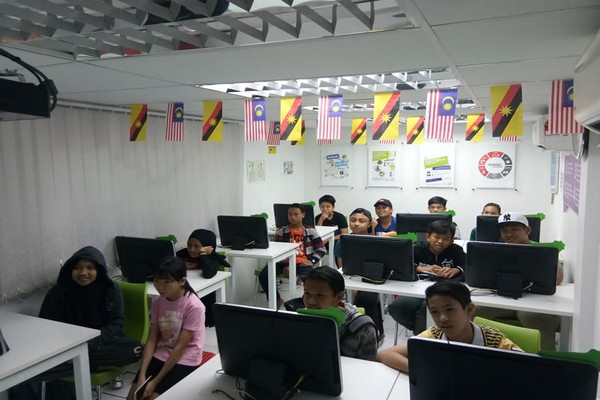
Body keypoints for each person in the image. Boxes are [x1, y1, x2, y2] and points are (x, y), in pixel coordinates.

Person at [377, 281, 521, 372]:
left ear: (469, 309)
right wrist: (426, 371)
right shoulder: (434, 335)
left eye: (450, 310)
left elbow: (527, 368)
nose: (443, 318)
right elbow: (385, 354)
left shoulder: (493, 340)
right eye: (435, 312)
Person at [39, 246, 142, 371]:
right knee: (40, 354)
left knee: (136, 350)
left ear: (99, 270)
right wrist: (66, 347)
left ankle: (65, 363)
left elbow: (115, 324)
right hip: (66, 344)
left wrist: (88, 346)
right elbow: (45, 325)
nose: (83, 273)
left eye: (90, 268)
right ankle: (90, 365)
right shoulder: (58, 292)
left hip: (99, 342)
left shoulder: (110, 290)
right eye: (77, 268)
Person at [474, 212, 563, 350]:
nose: (509, 234)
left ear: (528, 230)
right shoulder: (493, 250)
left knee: (537, 319)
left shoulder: (544, 251)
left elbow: (558, 278)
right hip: (501, 299)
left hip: (534, 301)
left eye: (514, 229)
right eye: (504, 231)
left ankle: (545, 359)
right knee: (473, 310)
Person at [127, 257, 205, 400]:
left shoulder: (194, 306)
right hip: (162, 352)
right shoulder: (158, 302)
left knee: (153, 397)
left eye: (167, 282)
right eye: (157, 281)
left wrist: (155, 382)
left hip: (186, 358)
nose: (160, 287)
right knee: (133, 396)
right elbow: (152, 339)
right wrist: (142, 375)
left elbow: (181, 347)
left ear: (182, 281)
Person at [388, 220, 466, 335]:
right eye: (436, 237)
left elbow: (468, 266)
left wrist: (456, 269)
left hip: (443, 290)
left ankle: (422, 337)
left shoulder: (456, 251)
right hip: (416, 289)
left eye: (445, 239)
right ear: (428, 237)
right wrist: (421, 268)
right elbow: (401, 265)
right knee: (396, 307)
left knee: (427, 307)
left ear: (451, 241)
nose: (440, 241)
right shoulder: (418, 249)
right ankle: (426, 331)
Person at [289, 267, 378, 361]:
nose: (311, 301)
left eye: (320, 295)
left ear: (339, 297)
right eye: (307, 293)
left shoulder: (363, 329)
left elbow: (369, 366)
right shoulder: (300, 319)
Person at [258, 203, 326, 308]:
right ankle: (276, 299)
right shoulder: (281, 232)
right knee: (263, 275)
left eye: (296, 214)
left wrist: (312, 261)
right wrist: (285, 265)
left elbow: (321, 249)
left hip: (303, 262)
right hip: (284, 261)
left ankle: (304, 302)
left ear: (303, 215)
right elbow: (278, 251)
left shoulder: (311, 231)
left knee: (312, 281)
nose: (292, 217)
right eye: (290, 214)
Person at [334, 208, 385, 345]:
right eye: (353, 220)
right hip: (351, 279)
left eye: (361, 221)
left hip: (371, 280)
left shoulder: (377, 241)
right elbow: (342, 267)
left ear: (369, 224)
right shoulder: (343, 241)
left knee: (366, 299)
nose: (356, 224)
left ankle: (371, 334)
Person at [176, 229, 229, 327]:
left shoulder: (213, 258)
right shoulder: (183, 254)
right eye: (189, 245)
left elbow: (208, 274)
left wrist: (202, 254)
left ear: (207, 247)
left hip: (205, 306)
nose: (192, 249)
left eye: (197, 246)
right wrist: (182, 265)